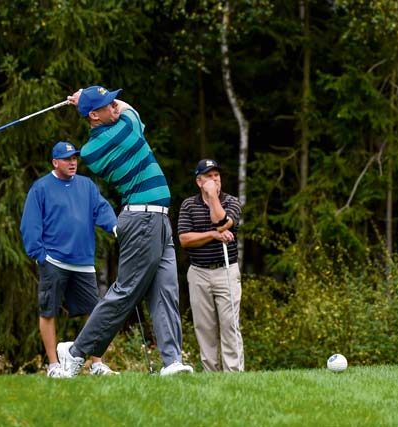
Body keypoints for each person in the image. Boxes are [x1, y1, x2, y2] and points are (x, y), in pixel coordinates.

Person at [57, 85, 194, 377]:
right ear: (94, 115)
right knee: (126, 292)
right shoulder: (103, 143)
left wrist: (88, 100)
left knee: (166, 291)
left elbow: (122, 110)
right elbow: (130, 110)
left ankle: (171, 362)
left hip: (158, 221)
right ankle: (75, 352)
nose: (113, 107)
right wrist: (85, 99)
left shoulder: (108, 132)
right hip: (143, 220)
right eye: (106, 105)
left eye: (111, 102)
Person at [20, 140, 119, 378]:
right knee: (48, 311)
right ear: (55, 162)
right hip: (53, 261)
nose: (72, 162)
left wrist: (115, 227)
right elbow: (30, 224)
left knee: (95, 312)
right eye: (67, 159)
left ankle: (97, 364)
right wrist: (39, 255)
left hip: (83, 262)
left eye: (75, 158)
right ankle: (54, 366)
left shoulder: (86, 185)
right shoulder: (41, 187)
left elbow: (102, 209)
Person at [177, 159, 244, 372]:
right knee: (204, 327)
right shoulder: (189, 205)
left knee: (230, 324)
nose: (215, 179)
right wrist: (213, 235)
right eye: (209, 176)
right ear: (199, 182)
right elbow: (185, 239)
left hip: (226, 269)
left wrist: (213, 196)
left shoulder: (232, 201)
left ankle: (233, 374)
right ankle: (211, 374)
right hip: (199, 272)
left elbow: (222, 222)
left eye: (217, 175)